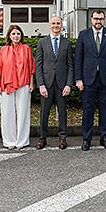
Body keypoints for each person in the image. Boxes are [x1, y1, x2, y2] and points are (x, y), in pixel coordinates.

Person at [75, 10, 106, 151]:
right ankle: (86, 139)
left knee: (105, 111)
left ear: (104, 20)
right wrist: (78, 79)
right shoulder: (83, 35)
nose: (98, 21)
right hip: (88, 80)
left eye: (101, 19)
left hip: (105, 79)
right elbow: (78, 59)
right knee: (88, 110)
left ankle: (104, 138)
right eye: (96, 19)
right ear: (91, 19)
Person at [35, 16, 74, 150]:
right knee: (44, 113)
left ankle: (62, 138)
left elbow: (70, 65)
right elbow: (38, 66)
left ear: (61, 26)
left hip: (62, 84)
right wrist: (40, 85)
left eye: (58, 23)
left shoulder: (67, 43)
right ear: (50, 25)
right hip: (46, 83)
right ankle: (42, 138)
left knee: (62, 112)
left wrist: (69, 84)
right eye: (53, 23)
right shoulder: (42, 42)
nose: (56, 26)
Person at [0, 24, 35, 150]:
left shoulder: (26, 48)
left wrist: (32, 83)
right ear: (9, 36)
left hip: (24, 83)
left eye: (18, 34)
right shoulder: (3, 50)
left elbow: (31, 68)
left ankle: (22, 140)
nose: (16, 36)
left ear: (21, 35)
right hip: (6, 84)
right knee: (7, 113)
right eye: (13, 34)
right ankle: (9, 141)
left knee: (23, 112)